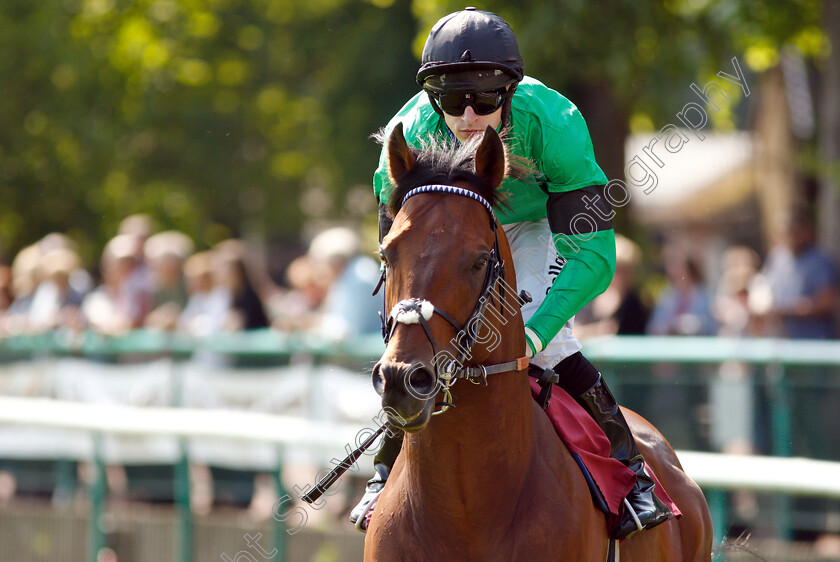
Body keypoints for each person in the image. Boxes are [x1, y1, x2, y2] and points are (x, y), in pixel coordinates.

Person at [351, 8, 672, 539]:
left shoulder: (556, 124)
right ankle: (384, 468)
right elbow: (397, 248)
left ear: (512, 92)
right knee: (419, 342)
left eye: (487, 98)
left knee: (542, 347)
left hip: (539, 222)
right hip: (454, 224)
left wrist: (535, 328)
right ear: (433, 99)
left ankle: (632, 473)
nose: (471, 113)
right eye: (455, 100)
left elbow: (594, 258)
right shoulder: (403, 139)